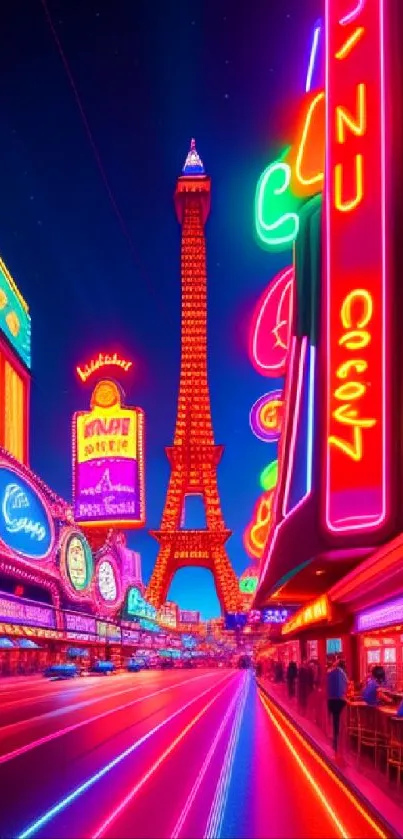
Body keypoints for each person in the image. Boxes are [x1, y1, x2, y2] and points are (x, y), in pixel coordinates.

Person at [327, 659, 348, 756]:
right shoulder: (343, 674)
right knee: (339, 722)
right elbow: (346, 687)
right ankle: (339, 743)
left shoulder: (330, 672)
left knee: (334, 721)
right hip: (340, 700)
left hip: (331, 700)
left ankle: (334, 741)